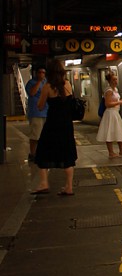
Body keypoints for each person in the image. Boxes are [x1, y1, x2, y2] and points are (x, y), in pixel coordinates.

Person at [31, 59, 77, 196]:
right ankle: (69, 187)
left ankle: (44, 183)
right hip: (67, 125)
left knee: (43, 151)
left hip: (52, 124)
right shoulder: (68, 84)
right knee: (68, 154)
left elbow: (40, 106)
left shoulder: (47, 87)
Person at [96, 72, 122, 158]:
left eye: (116, 79)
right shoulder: (109, 91)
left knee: (119, 131)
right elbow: (107, 104)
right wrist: (120, 102)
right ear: (109, 81)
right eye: (114, 80)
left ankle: (121, 150)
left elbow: (114, 100)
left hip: (115, 112)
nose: (116, 81)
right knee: (109, 132)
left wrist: (120, 100)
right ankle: (111, 152)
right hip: (110, 113)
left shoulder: (115, 90)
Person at [25, 66, 48, 160]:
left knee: (44, 135)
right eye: (40, 72)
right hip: (36, 113)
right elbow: (32, 93)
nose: (42, 74)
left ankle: (43, 152)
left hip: (46, 111)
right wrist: (39, 81)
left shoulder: (46, 82)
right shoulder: (31, 83)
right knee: (35, 134)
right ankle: (33, 154)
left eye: (43, 72)